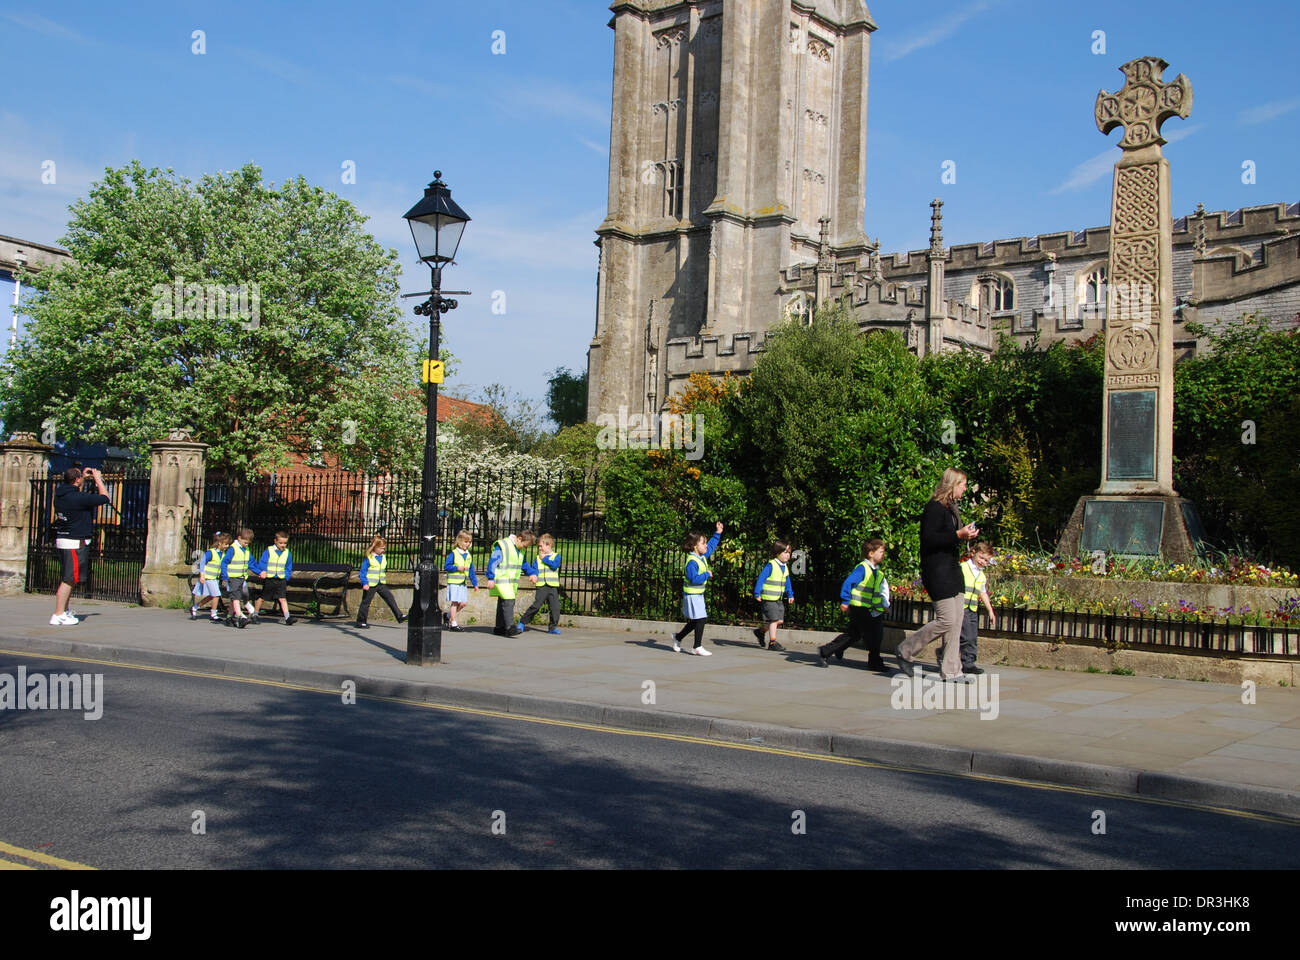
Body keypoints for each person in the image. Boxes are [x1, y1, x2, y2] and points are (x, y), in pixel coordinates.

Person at [895, 468, 980, 683]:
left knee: (956, 622)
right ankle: (906, 649)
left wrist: (964, 535)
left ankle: (952, 670)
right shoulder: (934, 508)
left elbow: (949, 538)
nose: (964, 489)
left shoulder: (951, 509)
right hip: (937, 572)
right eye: (962, 484)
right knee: (946, 620)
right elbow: (929, 539)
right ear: (952, 485)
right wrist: (957, 534)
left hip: (952, 571)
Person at [48, 466, 110, 626]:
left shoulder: (61, 495)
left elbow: (76, 491)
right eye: (80, 477)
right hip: (75, 542)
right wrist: (97, 478)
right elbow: (105, 497)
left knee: (70, 578)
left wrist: (82, 477)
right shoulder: (77, 498)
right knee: (69, 579)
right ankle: (58, 614)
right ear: (76, 480)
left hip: (63, 539)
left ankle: (64, 610)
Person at [817, 538, 890, 670]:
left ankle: (827, 650)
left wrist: (883, 606)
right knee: (873, 634)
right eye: (880, 551)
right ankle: (875, 662)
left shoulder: (876, 571)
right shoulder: (862, 569)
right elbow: (848, 583)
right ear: (871, 553)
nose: (883, 554)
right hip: (859, 607)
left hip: (868, 608)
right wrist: (845, 601)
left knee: (855, 634)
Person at [673, 522, 723, 656]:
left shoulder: (701, 557)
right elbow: (694, 579)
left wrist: (717, 533)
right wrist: (707, 574)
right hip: (692, 595)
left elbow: (711, 547)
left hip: (698, 594)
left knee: (696, 620)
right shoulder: (692, 562)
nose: (706, 545)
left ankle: (678, 637)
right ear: (695, 546)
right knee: (701, 618)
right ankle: (697, 646)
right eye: (703, 543)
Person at [953, 540, 997, 676]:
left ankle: (969, 662)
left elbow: (982, 593)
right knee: (965, 636)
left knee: (972, 637)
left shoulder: (981, 575)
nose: (983, 562)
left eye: (986, 560)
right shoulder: (962, 567)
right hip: (961, 607)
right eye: (981, 558)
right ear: (973, 553)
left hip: (972, 608)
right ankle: (965, 662)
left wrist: (990, 610)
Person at [485, 529, 537, 637]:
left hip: (509, 582)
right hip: (502, 580)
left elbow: (524, 564)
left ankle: (499, 628)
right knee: (509, 601)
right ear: (519, 539)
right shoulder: (503, 545)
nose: (525, 548)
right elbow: (493, 561)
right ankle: (509, 628)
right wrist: (490, 577)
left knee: (502, 603)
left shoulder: (520, 550)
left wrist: (531, 573)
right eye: (525, 545)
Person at [355, 535, 406, 629]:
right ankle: (361, 621)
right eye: (381, 548)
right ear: (375, 547)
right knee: (366, 602)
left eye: (384, 548)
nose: (383, 550)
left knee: (390, 597)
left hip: (381, 583)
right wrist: (365, 583)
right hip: (370, 584)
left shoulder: (383, 557)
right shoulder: (369, 558)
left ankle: (399, 616)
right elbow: (363, 572)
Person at [752, 539, 794, 651]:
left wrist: (790, 594)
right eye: (785, 552)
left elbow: (787, 582)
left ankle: (760, 632)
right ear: (777, 552)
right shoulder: (771, 565)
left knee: (779, 621)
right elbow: (761, 579)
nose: (787, 555)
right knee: (774, 620)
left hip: (778, 598)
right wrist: (757, 593)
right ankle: (772, 643)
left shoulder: (785, 567)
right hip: (769, 598)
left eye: (789, 552)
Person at [518, 533, 562, 634]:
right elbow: (534, 569)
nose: (540, 548)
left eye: (541, 546)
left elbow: (554, 566)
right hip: (541, 586)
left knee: (555, 608)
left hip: (552, 586)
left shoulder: (556, 556)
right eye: (539, 547)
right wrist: (533, 576)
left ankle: (552, 627)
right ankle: (522, 622)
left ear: (549, 545)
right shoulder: (537, 558)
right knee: (536, 606)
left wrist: (545, 559)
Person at [253, 530, 297, 625]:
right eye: (280, 543)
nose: (283, 545)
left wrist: (287, 576)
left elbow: (288, 566)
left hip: (281, 579)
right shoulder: (269, 550)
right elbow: (263, 562)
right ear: (275, 541)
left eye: (285, 543)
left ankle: (287, 617)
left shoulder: (287, 553)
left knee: (282, 598)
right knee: (263, 598)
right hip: (270, 578)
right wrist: (263, 571)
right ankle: (255, 614)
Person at [443, 529, 479, 632]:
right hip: (454, 582)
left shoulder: (468, 555)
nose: (467, 544)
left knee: (463, 603)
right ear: (459, 541)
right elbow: (447, 566)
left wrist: (475, 583)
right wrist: (457, 568)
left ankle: (448, 615)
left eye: (469, 542)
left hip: (462, 582)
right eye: (465, 542)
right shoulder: (454, 553)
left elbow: (471, 570)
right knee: (455, 603)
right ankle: (454, 623)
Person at [192, 531, 231, 622]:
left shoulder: (223, 554)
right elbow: (202, 562)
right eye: (226, 544)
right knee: (216, 595)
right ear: (219, 543)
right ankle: (213, 614)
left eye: (228, 544)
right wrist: (202, 575)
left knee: (211, 596)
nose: (227, 546)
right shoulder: (211, 552)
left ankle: (195, 607)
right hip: (208, 577)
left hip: (214, 578)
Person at [221, 528, 256, 628]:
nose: (246, 545)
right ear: (239, 538)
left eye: (248, 543)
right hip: (233, 578)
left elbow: (251, 563)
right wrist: (224, 576)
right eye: (245, 542)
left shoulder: (245, 549)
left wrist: (259, 572)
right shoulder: (233, 548)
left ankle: (229, 617)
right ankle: (240, 617)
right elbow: (224, 562)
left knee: (234, 598)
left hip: (241, 578)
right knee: (236, 598)